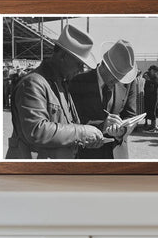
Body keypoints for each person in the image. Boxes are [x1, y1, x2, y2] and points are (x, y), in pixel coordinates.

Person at [6, 24, 106, 159]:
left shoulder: (61, 83)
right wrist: (82, 132)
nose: (81, 69)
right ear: (63, 56)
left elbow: (67, 127)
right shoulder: (33, 83)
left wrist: (88, 137)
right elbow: (37, 130)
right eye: (78, 63)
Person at [70, 39, 137, 159]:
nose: (118, 81)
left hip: (118, 155)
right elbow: (71, 119)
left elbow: (131, 115)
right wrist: (101, 125)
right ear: (104, 65)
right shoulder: (78, 82)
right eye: (115, 76)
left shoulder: (129, 84)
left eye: (121, 78)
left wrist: (122, 131)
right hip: (87, 155)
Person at [143, 65, 158, 132]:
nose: (153, 72)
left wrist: (148, 80)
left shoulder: (155, 77)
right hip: (148, 95)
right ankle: (151, 125)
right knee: (148, 110)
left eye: (154, 71)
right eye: (152, 70)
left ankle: (154, 126)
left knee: (153, 110)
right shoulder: (147, 75)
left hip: (154, 96)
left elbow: (156, 83)